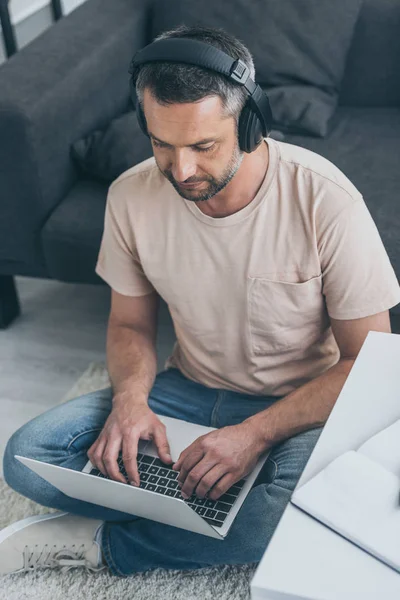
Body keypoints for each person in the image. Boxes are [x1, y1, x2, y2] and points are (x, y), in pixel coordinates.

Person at [1, 24, 399, 578]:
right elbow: (130, 324)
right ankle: (215, 509)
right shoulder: (131, 196)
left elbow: (371, 363)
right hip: (187, 393)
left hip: (297, 408)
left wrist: (254, 436)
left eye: (202, 146)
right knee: (31, 456)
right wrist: (131, 403)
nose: (181, 170)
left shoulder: (325, 201)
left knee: (298, 510)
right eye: (162, 144)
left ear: (250, 124)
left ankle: (105, 545)